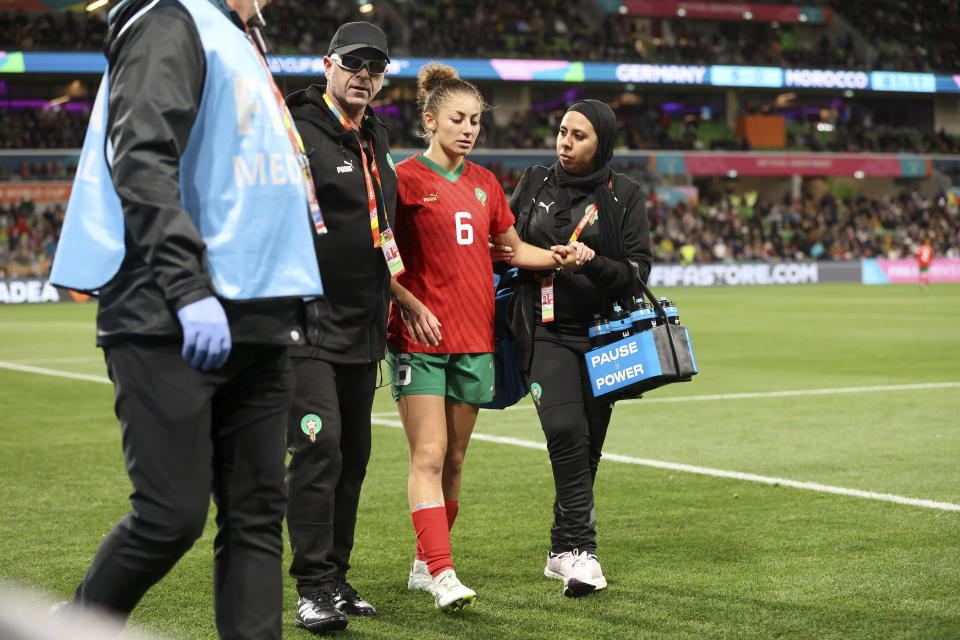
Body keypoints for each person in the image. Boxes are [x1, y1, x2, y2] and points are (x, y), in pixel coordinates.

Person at [48, 0, 325, 638]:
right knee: (170, 516)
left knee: (257, 521)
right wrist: (187, 286)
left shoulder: (237, 38)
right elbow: (141, 156)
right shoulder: (170, 18)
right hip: (171, 314)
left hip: (258, 319)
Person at [386, 62, 593, 612]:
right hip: (420, 339)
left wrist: (558, 258)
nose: (469, 128)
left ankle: (421, 563)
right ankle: (442, 571)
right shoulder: (402, 179)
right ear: (430, 121)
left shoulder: (484, 184)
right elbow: (377, 255)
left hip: (475, 338)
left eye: (476, 120)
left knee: (453, 460)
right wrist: (405, 302)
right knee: (427, 455)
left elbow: (511, 249)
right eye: (458, 118)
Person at [502, 99, 653, 598]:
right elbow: (505, 248)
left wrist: (588, 261)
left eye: (579, 136)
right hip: (543, 328)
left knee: (587, 447)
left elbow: (636, 275)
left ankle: (560, 551)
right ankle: (583, 552)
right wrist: (544, 259)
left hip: (604, 335)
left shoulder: (625, 194)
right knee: (565, 431)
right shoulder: (534, 181)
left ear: (602, 143)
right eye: (563, 132)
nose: (565, 143)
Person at [282, 21, 398, 635]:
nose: (365, 76)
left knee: (353, 458)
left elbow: (382, 231)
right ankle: (310, 586)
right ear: (327, 63)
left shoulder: (375, 134)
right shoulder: (294, 129)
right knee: (318, 449)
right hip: (305, 328)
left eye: (376, 68)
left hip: (363, 328)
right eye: (355, 63)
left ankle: (335, 577)